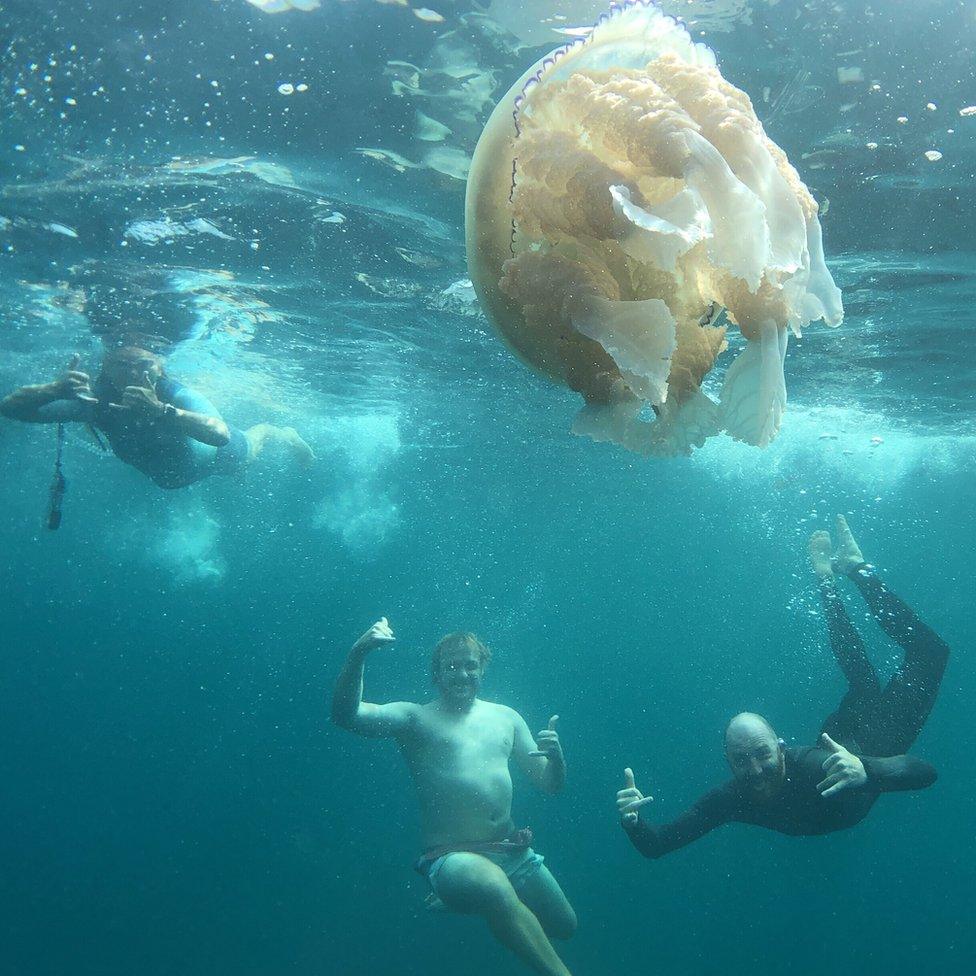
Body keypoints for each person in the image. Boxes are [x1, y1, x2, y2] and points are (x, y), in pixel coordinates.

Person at [616, 515, 950, 859]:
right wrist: (633, 822)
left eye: (762, 753)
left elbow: (925, 773)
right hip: (849, 741)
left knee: (911, 661)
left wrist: (867, 770)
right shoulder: (731, 799)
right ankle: (835, 575)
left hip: (871, 745)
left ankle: (849, 571)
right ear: (728, 762)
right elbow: (656, 845)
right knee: (874, 677)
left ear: (780, 747)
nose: (756, 769)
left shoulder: (816, 766)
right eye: (742, 759)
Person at [331, 619, 577, 976]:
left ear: (483, 669)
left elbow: (550, 785)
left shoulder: (506, 717)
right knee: (494, 889)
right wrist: (359, 653)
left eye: (470, 665)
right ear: (436, 673)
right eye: (451, 666)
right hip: (452, 856)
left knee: (565, 926)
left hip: (510, 848)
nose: (461, 674)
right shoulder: (415, 718)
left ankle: (462, 899)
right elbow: (346, 715)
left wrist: (557, 759)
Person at [0, 346, 313, 489]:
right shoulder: (95, 402)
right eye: (123, 365)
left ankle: (280, 432)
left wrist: (162, 411)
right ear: (107, 367)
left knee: (251, 448)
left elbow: (220, 435)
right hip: (176, 477)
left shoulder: (175, 394)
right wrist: (52, 389)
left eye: (144, 364)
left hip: (220, 457)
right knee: (235, 473)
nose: (134, 373)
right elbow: (11, 409)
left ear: (160, 367)